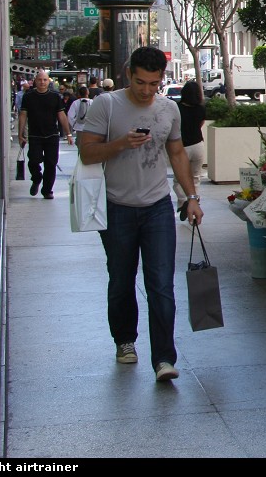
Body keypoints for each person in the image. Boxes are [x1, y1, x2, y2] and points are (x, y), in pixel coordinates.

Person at [78, 46, 203, 382]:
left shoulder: (169, 109)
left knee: (161, 284)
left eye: (153, 83)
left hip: (157, 207)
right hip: (116, 207)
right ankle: (125, 340)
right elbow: (87, 153)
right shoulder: (107, 104)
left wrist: (191, 197)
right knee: (121, 280)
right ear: (127, 73)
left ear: (162, 80)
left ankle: (164, 358)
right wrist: (121, 143)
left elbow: (176, 153)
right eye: (139, 82)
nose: (146, 90)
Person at [18, 69, 74, 199]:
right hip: (35, 135)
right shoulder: (28, 97)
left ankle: (47, 190)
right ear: (35, 81)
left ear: (48, 81)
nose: (42, 82)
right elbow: (23, 115)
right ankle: (37, 178)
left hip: (52, 135)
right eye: (39, 80)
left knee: (51, 163)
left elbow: (61, 115)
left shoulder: (55, 97)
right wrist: (21, 134)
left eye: (44, 80)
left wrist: (68, 134)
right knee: (33, 160)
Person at [173, 80, 206, 215]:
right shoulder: (201, 108)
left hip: (182, 147)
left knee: (178, 177)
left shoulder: (176, 108)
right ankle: (194, 200)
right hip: (198, 145)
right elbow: (201, 124)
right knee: (196, 176)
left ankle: (183, 201)